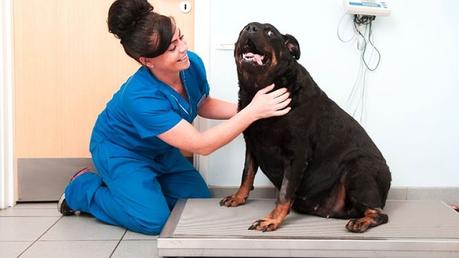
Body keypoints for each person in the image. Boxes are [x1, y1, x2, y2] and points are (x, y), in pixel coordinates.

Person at [57, 0, 291, 235]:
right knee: (153, 221)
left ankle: (136, 188)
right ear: (147, 61)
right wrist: (253, 111)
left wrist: (252, 108)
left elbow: (202, 104)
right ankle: (83, 188)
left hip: (160, 150)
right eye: (171, 48)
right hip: (121, 151)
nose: (182, 49)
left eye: (181, 37)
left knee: (197, 202)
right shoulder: (140, 97)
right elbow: (202, 145)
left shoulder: (191, 64)